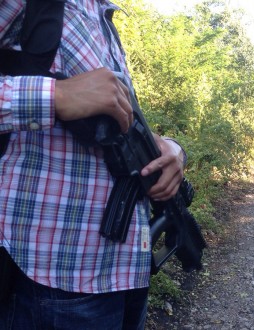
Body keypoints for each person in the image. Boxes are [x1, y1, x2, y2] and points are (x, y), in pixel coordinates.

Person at [0, 1, 186, 329]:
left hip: (127, 274)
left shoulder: (102, 16)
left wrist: (172, 149)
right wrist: (55, 96)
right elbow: (69, 95)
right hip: (52, 283)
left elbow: (123, 125)